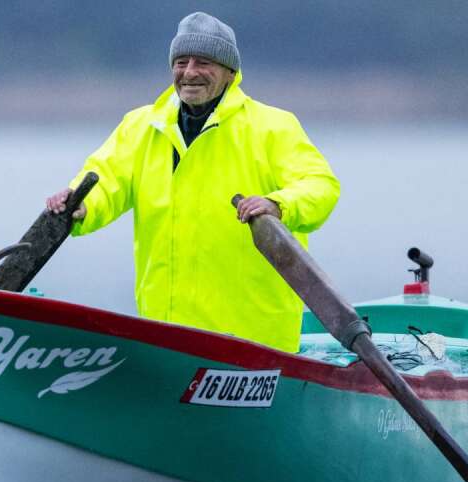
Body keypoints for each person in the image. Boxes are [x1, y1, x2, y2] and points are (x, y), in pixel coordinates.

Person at [46, 12, 339, 353]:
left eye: (204, 63)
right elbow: (106, 179)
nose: (189, 72)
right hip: (166, 339)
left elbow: (320, 185)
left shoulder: (273, 127)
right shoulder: (141, 126)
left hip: (256, 343)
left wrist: (279, 205)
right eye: (181, 62)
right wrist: (81, 204)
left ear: (231, 72)